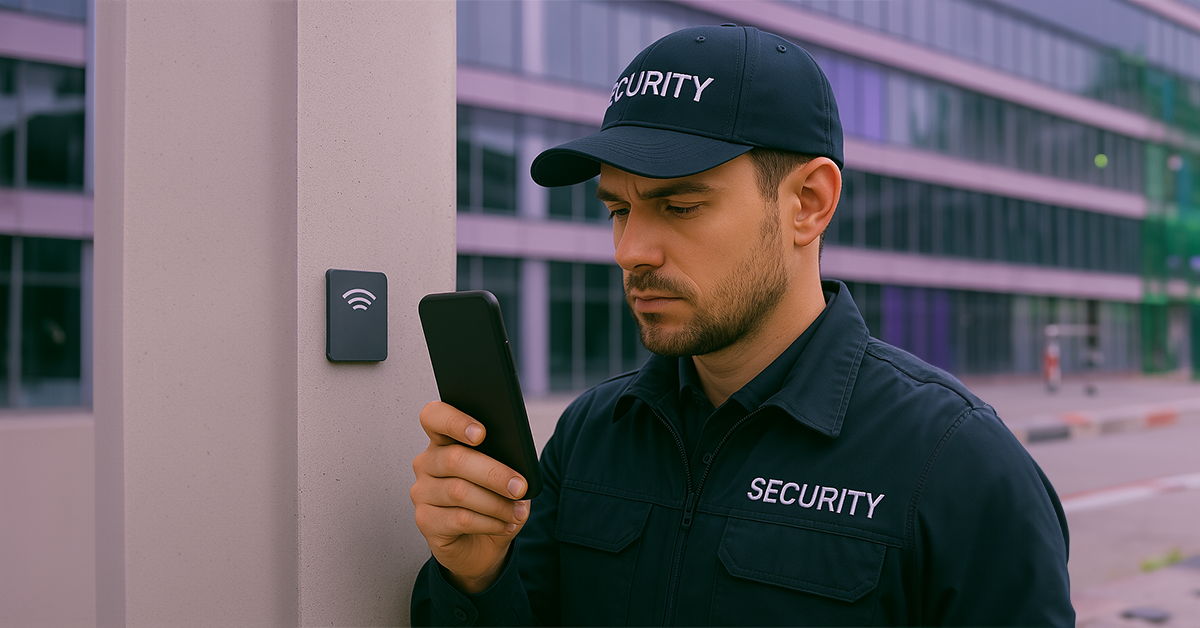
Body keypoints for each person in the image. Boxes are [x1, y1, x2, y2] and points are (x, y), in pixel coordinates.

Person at [410, 24, 1074, 626]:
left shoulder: (956, 463)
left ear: (809, 204)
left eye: (680, 205)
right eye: (618, 208)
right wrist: (476, 573)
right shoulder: (590, 437)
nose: (631, 250)